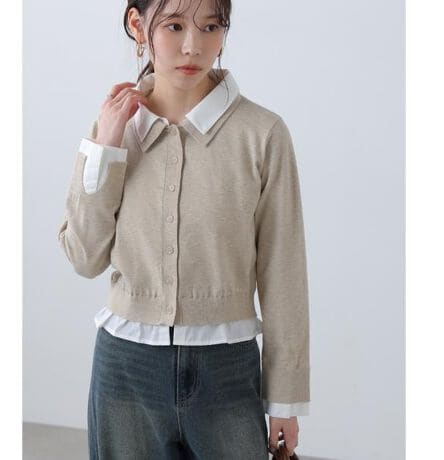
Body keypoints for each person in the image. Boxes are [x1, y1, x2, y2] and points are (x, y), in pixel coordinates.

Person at [57, 0, 311, 458]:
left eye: (211, 27)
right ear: (138, 26)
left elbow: (284, 272)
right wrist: (106, 147)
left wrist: (285, 401)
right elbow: (84, 257)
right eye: (174, 26)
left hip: (227, 368)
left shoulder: (263, 133)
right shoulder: (114, 129)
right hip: (126, 366)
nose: (193, 46)